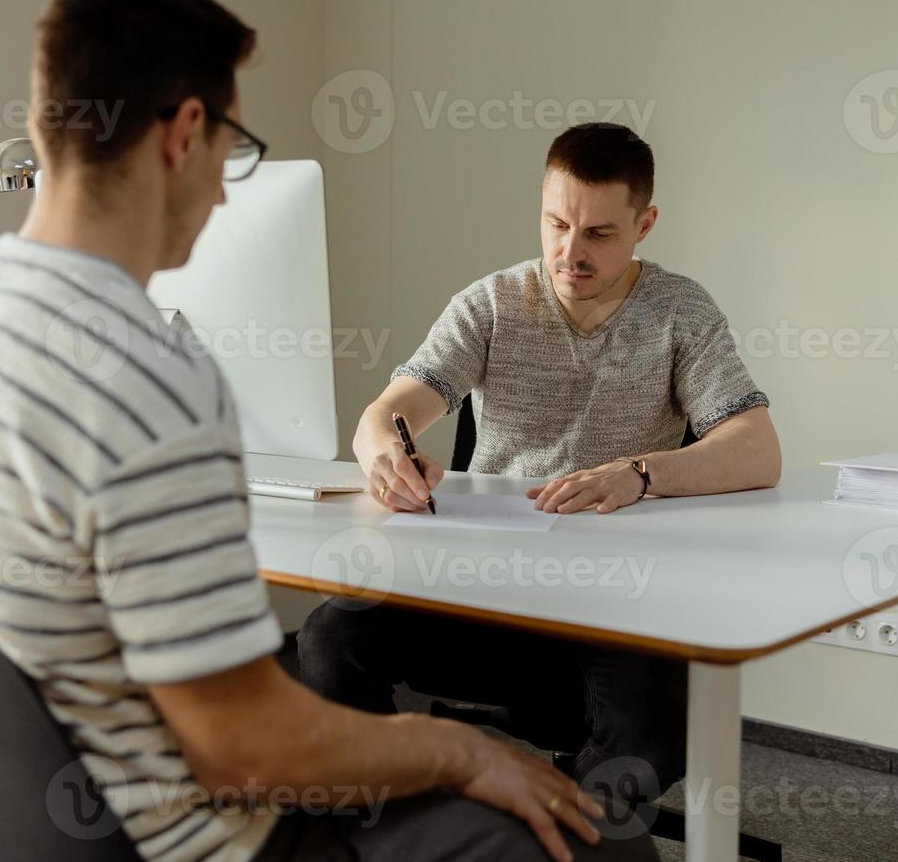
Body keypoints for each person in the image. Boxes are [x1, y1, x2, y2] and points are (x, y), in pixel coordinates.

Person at [0, 0, 657, 862]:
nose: (227, 189)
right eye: (233, 143)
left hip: (46, 833)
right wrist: (459, 751)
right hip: (218, 842)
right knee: (606, 848)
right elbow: (245, 747)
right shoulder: (147, 376)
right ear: (187, 133)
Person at [300, 122, 781, 803]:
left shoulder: (680, 313)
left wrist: (638, 473)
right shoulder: (494, 303)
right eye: (556, 224)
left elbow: (757, 449)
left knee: (651, 738)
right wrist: (386, 452)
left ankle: (542, 834)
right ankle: (418, 824)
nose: (569, 252)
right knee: (329, 638)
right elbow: (388, 414)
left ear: (645, 224)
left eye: (598, 235)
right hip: (489, 587)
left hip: (620, 597)